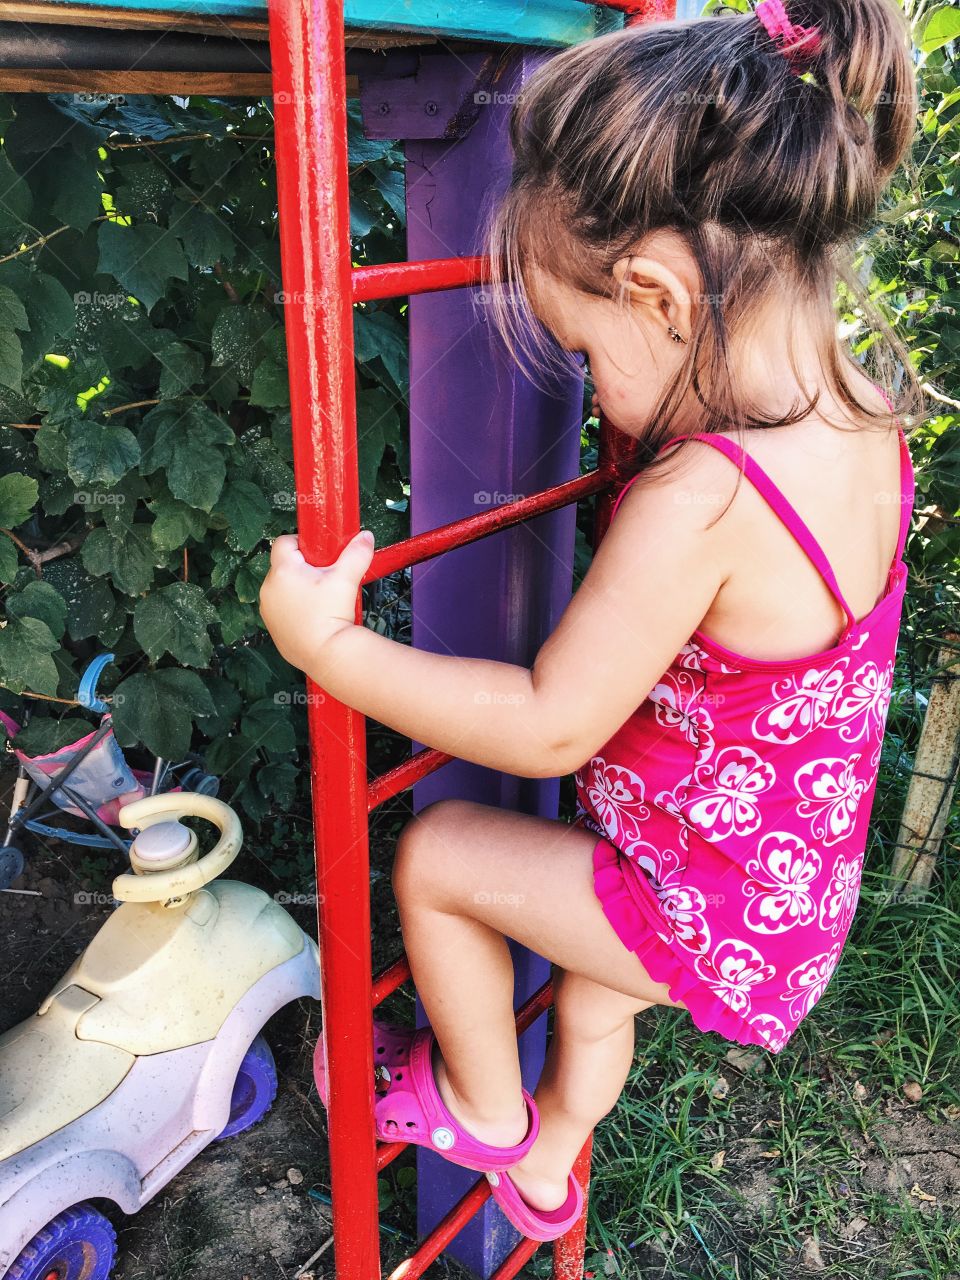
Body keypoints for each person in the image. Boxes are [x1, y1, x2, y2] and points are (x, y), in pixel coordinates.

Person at [259, 0, 921, 1242]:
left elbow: (552, 724)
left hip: (692, 903)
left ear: (661, 297)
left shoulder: (704, 495)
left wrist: (327, 647)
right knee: (599, 1002)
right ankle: (553, 1159)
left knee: (439, 857)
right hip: (780, 901)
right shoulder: (869, 420)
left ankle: (485, 1109)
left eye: (581, 347)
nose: (591, 386)